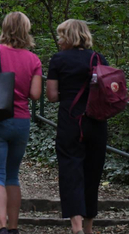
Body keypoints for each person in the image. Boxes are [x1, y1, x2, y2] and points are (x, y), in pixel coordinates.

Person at [0, 12, 43, 234]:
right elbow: (35, 94)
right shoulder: (33, 59)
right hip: (21, 121)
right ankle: (14, 228)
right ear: (26, 30)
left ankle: (1, 227)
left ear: (5, 28)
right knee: (13, 175)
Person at [45, 19, 109, 234]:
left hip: (70, 121)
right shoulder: (98, 58)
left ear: (67, 36)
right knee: (92, 173)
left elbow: (52, 96)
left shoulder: (58, 59)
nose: (59, 39)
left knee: (71, 171)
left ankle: (76, 227)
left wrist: (68, 93)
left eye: (61, 35)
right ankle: (89, 228)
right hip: (97, 122)